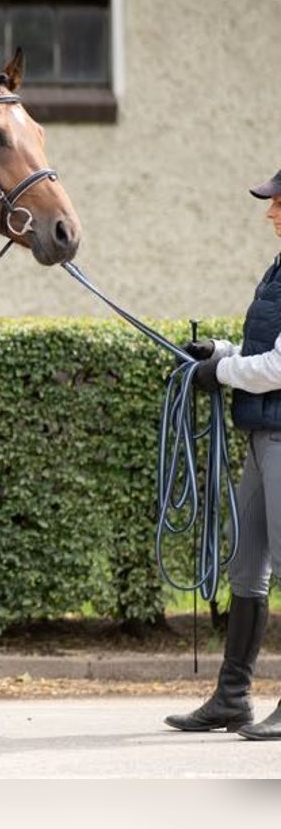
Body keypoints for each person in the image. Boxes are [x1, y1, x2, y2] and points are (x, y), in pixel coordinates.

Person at [165, 170, 281, 740]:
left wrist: (223, 372)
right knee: (248, 569)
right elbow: (264, 352)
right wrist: (218, 352)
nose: (271, 212)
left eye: (278, 203)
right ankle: (233, 697)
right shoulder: (277, 272)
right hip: (263, 440)